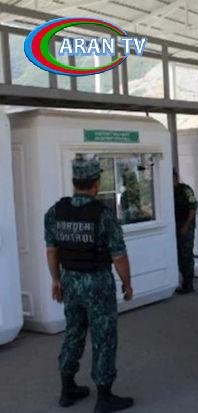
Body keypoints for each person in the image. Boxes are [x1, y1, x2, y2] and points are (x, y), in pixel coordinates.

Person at [44, 157, 134, 412]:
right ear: (96, 183)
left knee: (73, 332)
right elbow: (119, 256)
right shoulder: (104, 214)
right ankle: (104, 396)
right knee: (103, 336)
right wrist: (127, 283)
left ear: (74, 182)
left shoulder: (55, 212)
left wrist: (56, 280)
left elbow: (51, 250)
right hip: (97, 283)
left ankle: (67, 389)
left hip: (70, 281)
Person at [173, 169, 198, 294]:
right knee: (177, 255)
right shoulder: (167, 190)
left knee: (186, 254)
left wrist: (186, 226)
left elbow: (193, 207)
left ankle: (189, 284)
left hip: (185, 225)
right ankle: (183, 282)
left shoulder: (185, 190)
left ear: (176, 178)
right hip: (174, 225)